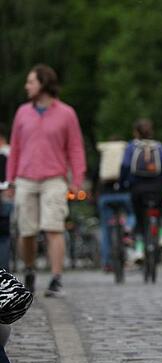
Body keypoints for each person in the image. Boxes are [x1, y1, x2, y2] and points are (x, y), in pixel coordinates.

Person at [6, 64, 86, 296]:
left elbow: (75, 148)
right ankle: (29, 269)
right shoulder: (22, 112)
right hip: (26, 177)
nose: (27, 86)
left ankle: (56, 279)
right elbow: (15, 148)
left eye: (31, 82)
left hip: (54, 178)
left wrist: (76, 179)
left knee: (54, 227)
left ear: (43, 84)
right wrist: (10, 180)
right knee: (27, 232)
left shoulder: (66, 113)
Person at [119, 118, 162, 261]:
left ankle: (139, 250)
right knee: (160, 210)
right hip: (157, 187)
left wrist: (122, 184)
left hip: (137, 187)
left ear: (136, 132)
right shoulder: (159, 147)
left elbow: (125, 166)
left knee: (139, 218)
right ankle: (161, 236)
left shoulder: (131, 147)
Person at [95, 137, 135, 273]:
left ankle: (107, 263)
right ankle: (127, 229)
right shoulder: (125, 151)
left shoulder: (104, 152)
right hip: (123, 194)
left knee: (105, 229)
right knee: (131, 214)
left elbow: (96, 175)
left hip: (106, 195)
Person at [0, 126, 12, 270]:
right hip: (6, 197)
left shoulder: (7, 153)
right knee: (4, 236)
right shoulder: (10, 153)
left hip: (4, 197)